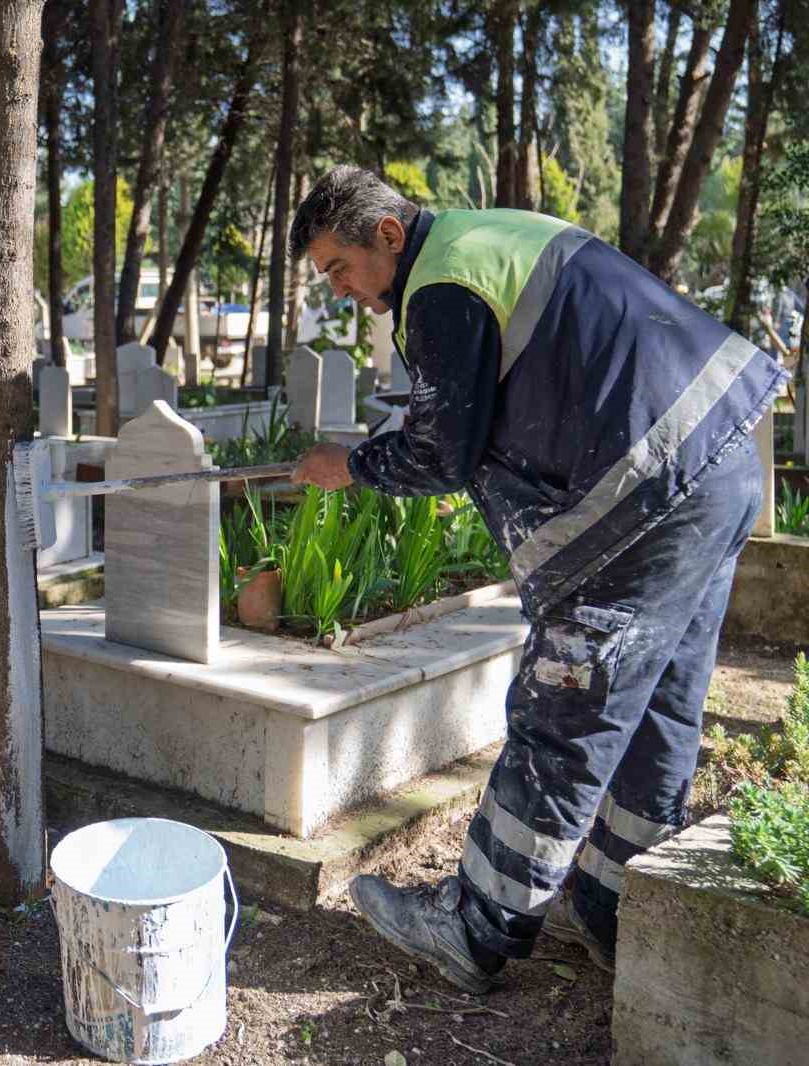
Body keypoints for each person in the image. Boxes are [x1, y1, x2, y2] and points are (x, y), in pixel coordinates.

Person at [287, 166, 788, 993]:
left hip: (647, 490)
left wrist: (351, 465)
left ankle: (476, 925)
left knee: (567, 706)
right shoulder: (482, 237)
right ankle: (614, 903)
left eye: (339, 268)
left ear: (386, 234)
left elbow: (441, 450)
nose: (340, 290)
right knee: (660, 699)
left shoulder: (439, 284)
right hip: (717, 459)